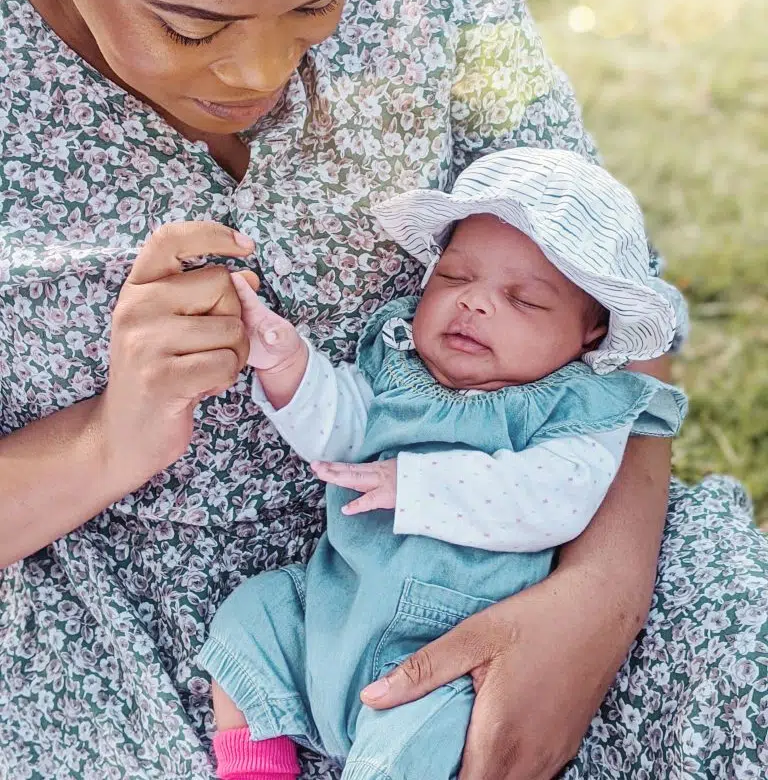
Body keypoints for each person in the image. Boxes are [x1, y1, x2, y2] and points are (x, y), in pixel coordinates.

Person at [0, 0, 765, 779]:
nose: (260, 74)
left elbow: (617, 308)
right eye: (192, 25)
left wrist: (592, 603)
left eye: (322, 2)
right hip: (114, 642)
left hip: (514, 560)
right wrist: (113, 432)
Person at [197, 147, 688, 780]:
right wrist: (291, 368)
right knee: (252, 616)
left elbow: (554, 498)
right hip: (332, 610)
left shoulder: (576, 406)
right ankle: (257, 769)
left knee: (415, 744)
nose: (474, 304)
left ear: (589, 333)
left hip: (444, 647)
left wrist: (417, 486)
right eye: (455, 277)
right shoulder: (402, 366)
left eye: (525, 301)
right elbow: (343, 431)